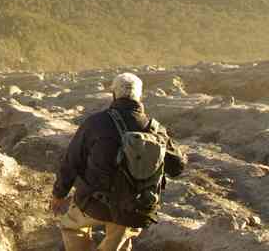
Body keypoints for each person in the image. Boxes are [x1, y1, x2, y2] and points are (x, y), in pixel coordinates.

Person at [49, 72, 187, 251]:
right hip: (135, 208)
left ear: (114, 95)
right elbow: (177, 167)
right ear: (140, 96)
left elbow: (71, 161)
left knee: (71, 226)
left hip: (93, 202)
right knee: (121, 235)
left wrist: (59, 194)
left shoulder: (96, 123)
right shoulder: (155, 129)